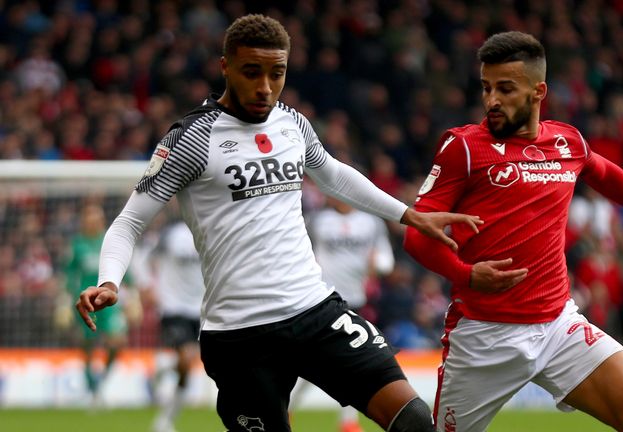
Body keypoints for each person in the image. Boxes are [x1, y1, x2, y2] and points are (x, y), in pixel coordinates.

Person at [76, 14, 482, 432]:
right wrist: (110, 281)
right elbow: (129, 222)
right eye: (252, 72)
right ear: (225, 67)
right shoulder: (192, 139)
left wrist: (408, 214)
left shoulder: (293, 123)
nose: (265, 87)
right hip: (239, 335)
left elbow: (335, 175)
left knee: (414, 420)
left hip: (315, 310)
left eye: (277, 73)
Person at [403, 31, 623, 432]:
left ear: (538, 91)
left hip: (558, 325)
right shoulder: (464, 148)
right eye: (487, 87)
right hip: (484, 335)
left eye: (505, 89)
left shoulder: (567, 141)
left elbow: (604, 173)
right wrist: (466, 274)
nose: (492, 100)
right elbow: (416, 235)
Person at [290, 196, 395, 432]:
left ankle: (347, 422)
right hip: (321, 298)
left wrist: (376, 264)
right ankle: (289, 407)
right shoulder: (318, 220)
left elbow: (386, 260)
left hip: (356, 301)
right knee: (316, 360)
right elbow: (300, 252)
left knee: (350, 361)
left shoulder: (371, 222)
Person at [142, 220, 206, 432]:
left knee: (187, 363)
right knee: (187, 359)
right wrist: (147, 287)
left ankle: (161, 372)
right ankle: (165, 420)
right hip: (173, 306)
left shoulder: (212, 228)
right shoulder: (171, 233)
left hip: (200, 308)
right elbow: (144, 258)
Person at [64, 204, 128, 405]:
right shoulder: (77, 246)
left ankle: (99, 383)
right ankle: (92, 390)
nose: (94, 222)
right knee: (88, 347)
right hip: (85, 302)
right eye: (90, 219)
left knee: (117, 342)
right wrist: (63, 302)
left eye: (97, 219)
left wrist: (133, 297)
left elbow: (126, 271)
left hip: (108, 303)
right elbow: (68, 275)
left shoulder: (108, 243)